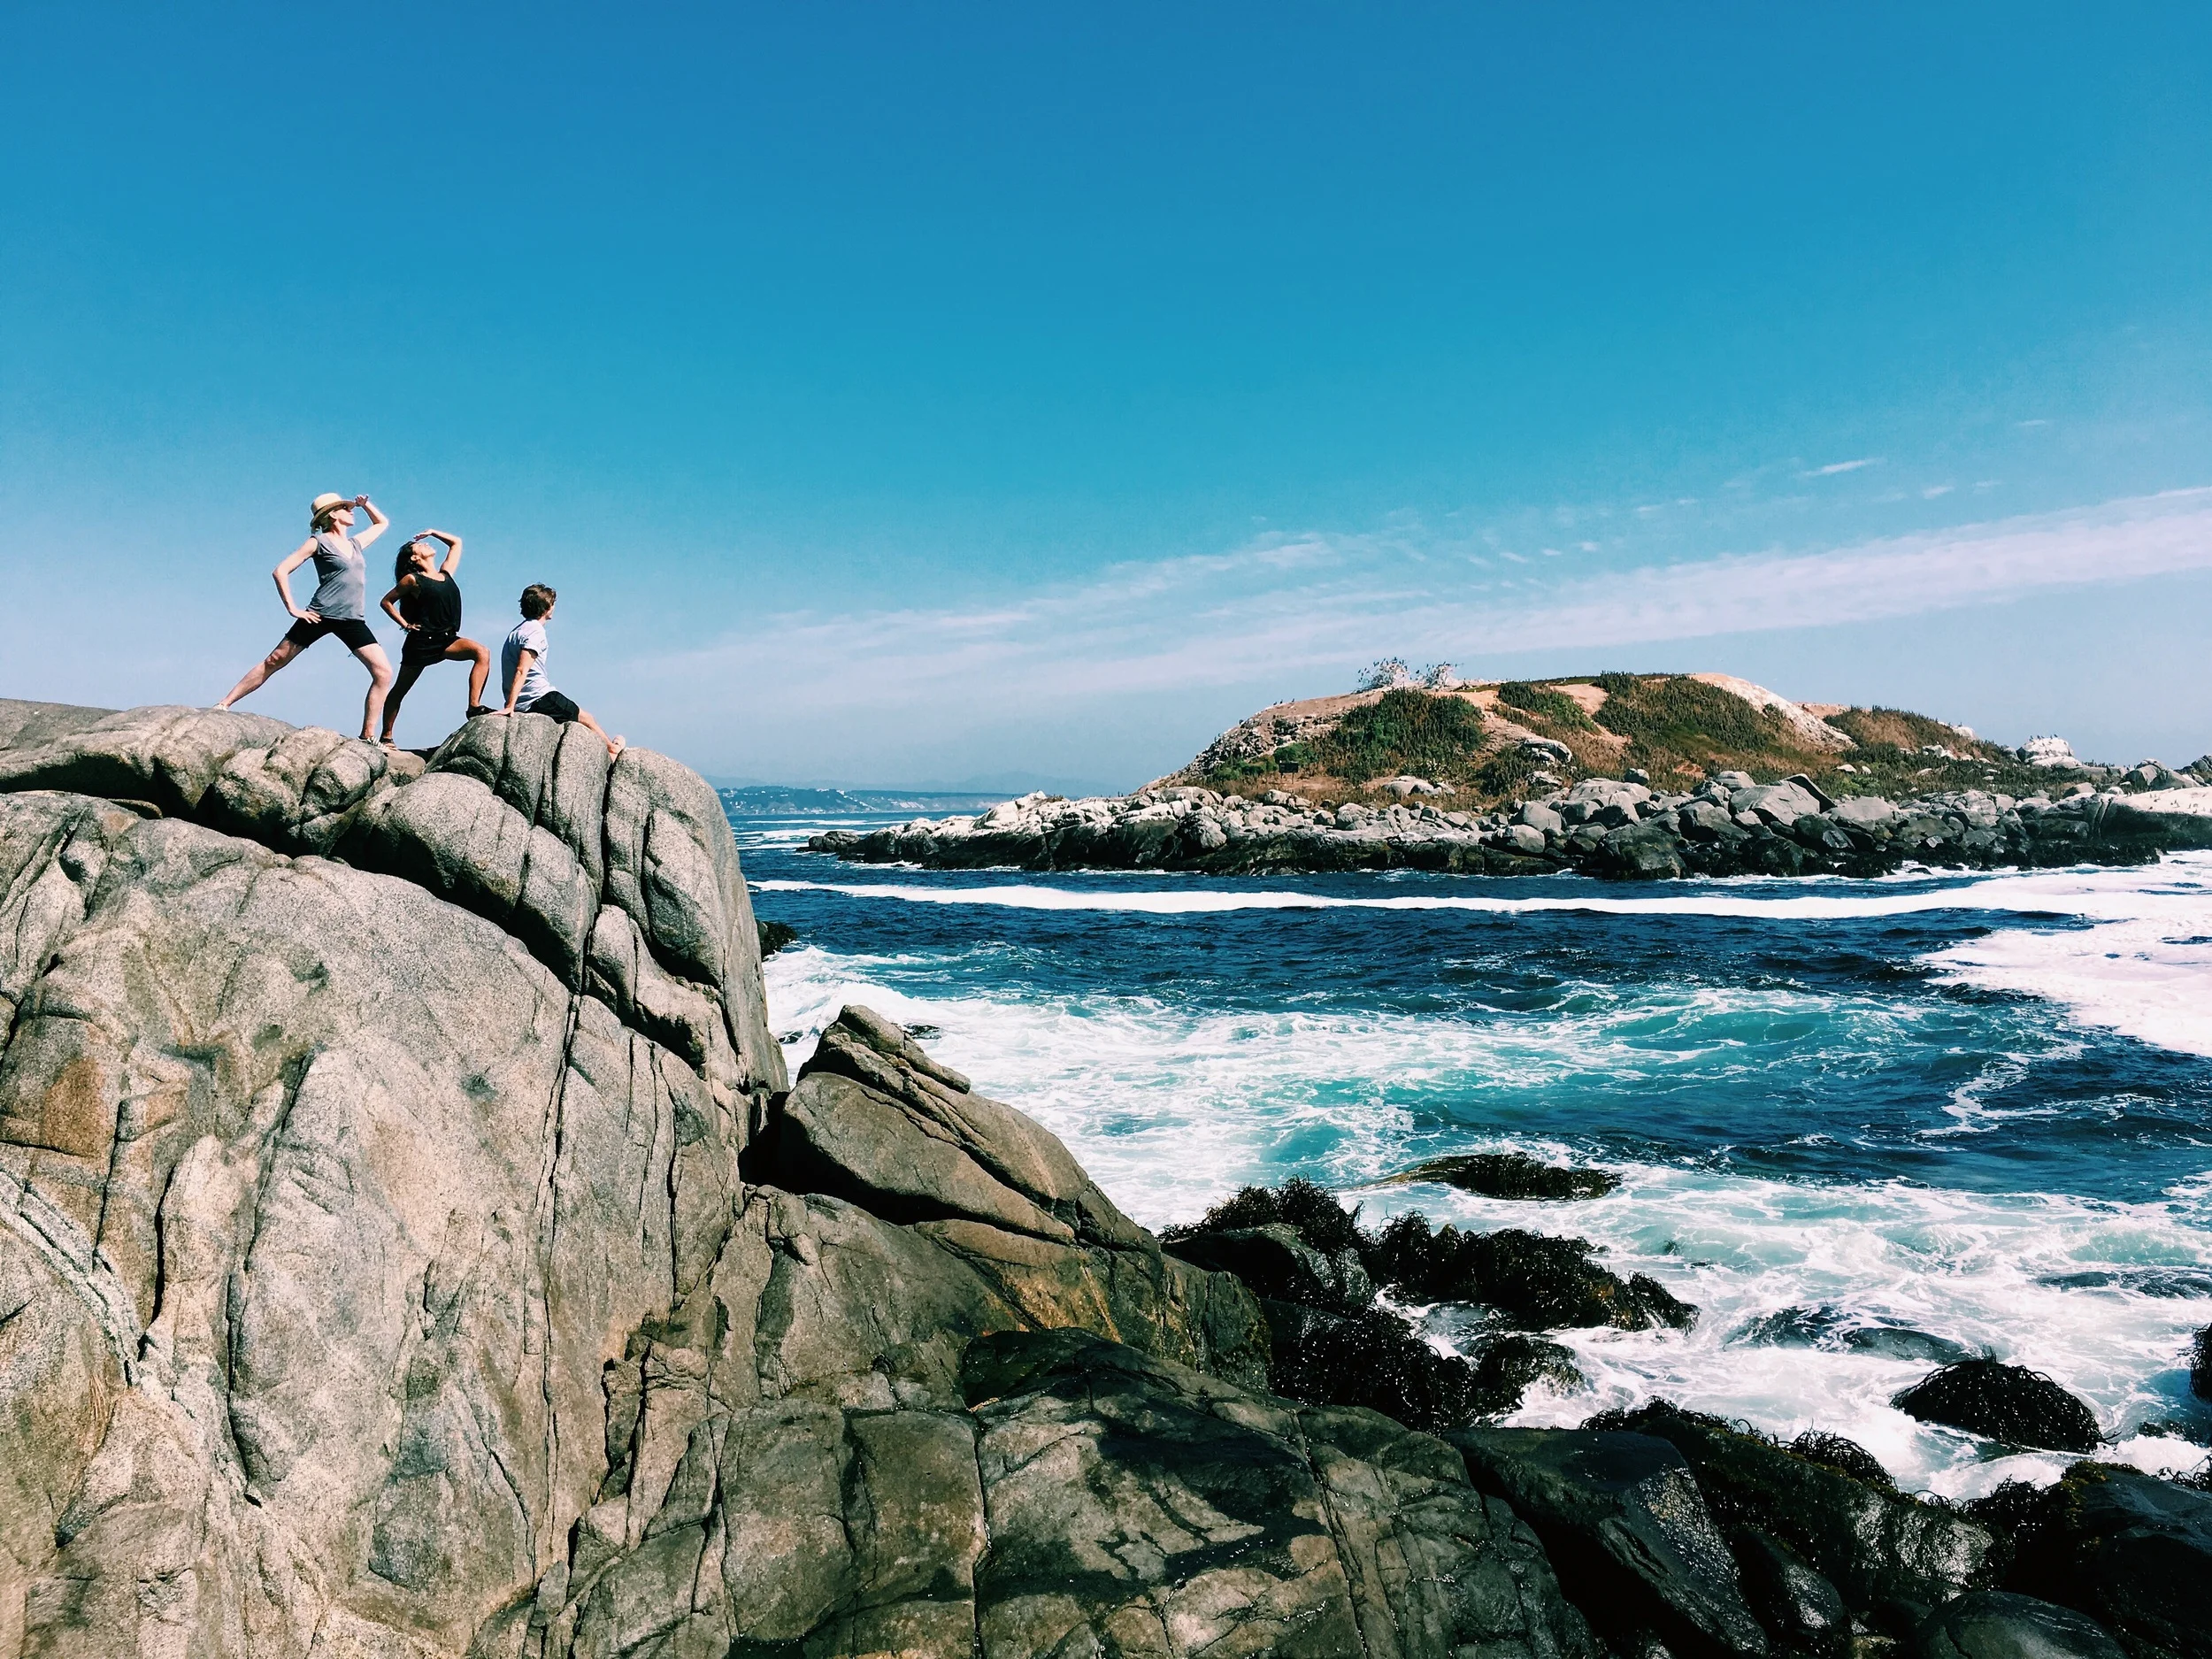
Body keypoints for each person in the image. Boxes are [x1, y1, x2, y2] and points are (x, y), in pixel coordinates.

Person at [217, 492, 394, 740]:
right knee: (275, 660)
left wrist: (366, 506)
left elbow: (382, 524)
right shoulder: (318, 542)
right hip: (320, 614)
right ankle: (224, 704)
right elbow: (281, 571)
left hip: (352, 618)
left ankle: (367, 736)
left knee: (383, 672)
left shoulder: (355, 544)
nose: (351, 511)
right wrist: (293, 608)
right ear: (332, 514)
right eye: (346, 508)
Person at [375, 529, 492, 746]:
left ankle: (474, 707)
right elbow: (386, 602)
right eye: (419, 545)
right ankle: (387, 736)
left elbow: (456, 542)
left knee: (481, 652)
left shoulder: (445, 574)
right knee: (400, 689)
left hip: (447, 639)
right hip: (421, 642)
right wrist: (405, 624)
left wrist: (433, 533)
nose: (426, 544)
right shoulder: (412, 580)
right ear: (414, 557)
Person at [495, 584, 624, 758]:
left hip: (524, 701)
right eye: (553, 603)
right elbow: (521, 669)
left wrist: (512, 703)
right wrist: (510, 706)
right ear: (547, 607)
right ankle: (611, 749)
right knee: (586, 718)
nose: (554, 607)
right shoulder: (535, 632)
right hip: (539, 698)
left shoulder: (516, 631)